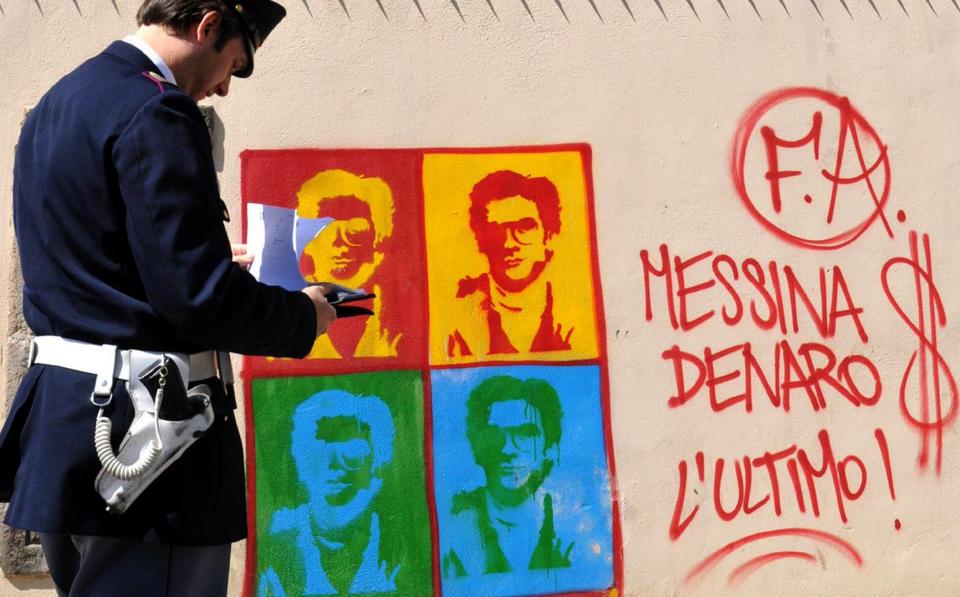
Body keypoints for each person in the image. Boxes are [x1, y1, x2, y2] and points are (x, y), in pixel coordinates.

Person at [0, 1, 338, 595]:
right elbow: (201, 302)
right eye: (233, 63)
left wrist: (203, 262)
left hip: (69, 428)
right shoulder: (158, 110)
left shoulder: (59, 103)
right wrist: (304, 315)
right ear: (208, 24)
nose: (224, 88)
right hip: (149, 445)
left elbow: (96, 263)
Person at [258, 390, 399, 596]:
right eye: (318, 451)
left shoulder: (395, 544)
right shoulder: (277, 547)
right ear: (301, 462)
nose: (333, 465)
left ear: (376, 458)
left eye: (352, 451)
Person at [442, 376, 572, 577]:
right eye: (495, 433)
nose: (509, 449)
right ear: (477, 446)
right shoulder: (451, 532)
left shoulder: (570, 535)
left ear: (549, 447)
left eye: (526, 433)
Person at [447, 170, 573, 357]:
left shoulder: (571, 318)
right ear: (480, 240)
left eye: (524, 228)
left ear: (547, 235)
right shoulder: (457, 325)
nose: (509, 243)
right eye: (496, 230)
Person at [297, 169, 401, 359]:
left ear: (376, 239)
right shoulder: (292, 308)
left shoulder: (397, 320)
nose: (340, 243)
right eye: (326, 230)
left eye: (355, 230)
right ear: (308, 243)